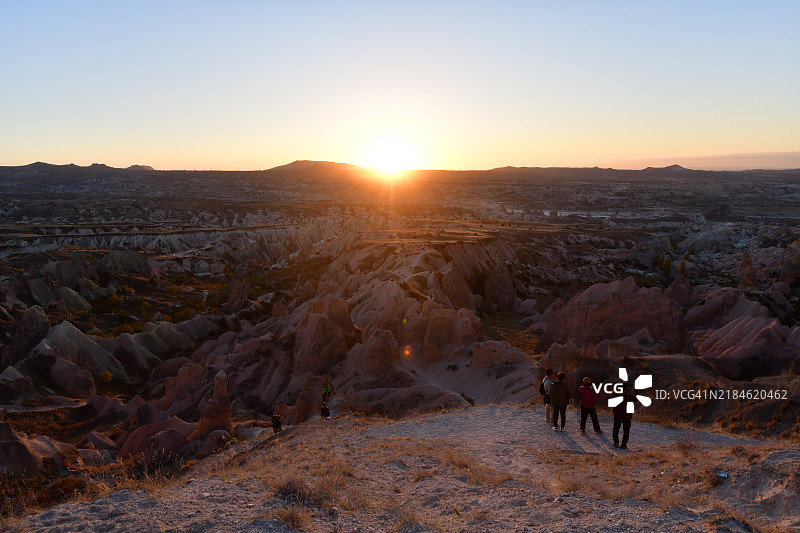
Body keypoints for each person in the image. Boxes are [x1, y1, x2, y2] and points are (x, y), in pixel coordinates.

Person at [613, 383, 636, 449]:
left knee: (616, 429)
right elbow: (636, 397)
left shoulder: (615, 395)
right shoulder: (629, 396)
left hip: (617, 414)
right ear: (626, 389)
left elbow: (614, 391)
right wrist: (633, 389)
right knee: (626, 431)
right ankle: (623, 444)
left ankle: (616, 442)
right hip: (627, 415)